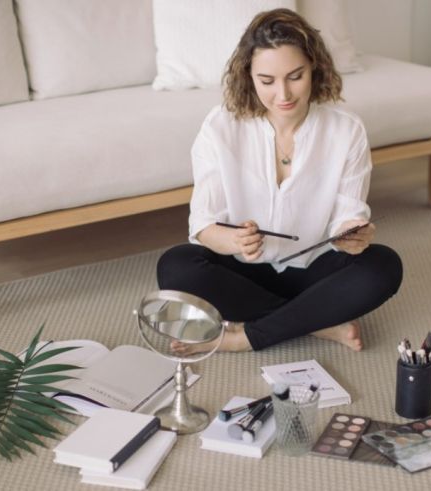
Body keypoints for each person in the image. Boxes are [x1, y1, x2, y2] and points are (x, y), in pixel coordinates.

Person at [156, 8, 402, 352]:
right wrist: (234, 242)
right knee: (176, 266)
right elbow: (203, 226)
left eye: (295, 76)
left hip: (315, 269)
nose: (283, 94)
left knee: (383, 266)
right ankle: (316, 324)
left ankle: (243, 337)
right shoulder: (220, 127)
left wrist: (354, 235)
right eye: (267, 81)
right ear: (249, 76)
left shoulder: (346, 129)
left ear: (314, 67)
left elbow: (349, 212)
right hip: (246, 269)